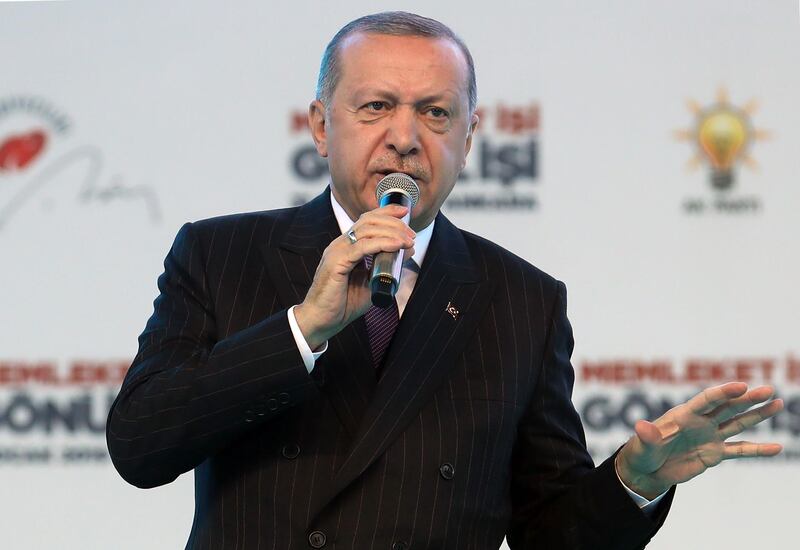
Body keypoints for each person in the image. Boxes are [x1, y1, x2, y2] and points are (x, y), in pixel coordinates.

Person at [106, 11, 784, 550]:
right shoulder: (221, 254)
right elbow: (141, 445)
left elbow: (550, 533)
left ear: (470, 137)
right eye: (375, 107)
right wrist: (303, 328)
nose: (405, 138)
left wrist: (634, 481)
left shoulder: (521, 300)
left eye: (436, 113)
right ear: (320, 126)